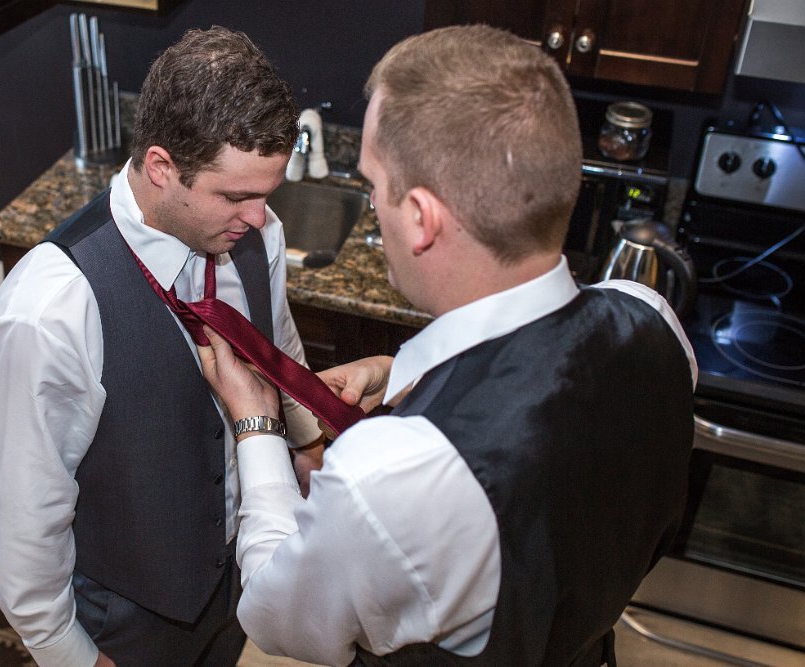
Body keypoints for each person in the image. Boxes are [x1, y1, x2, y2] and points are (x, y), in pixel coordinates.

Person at [196, 24, 698, 667]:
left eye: (374, 185)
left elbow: (277, 617)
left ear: (422, 219)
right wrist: (401, 370)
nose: (371, 205)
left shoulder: (394, 471)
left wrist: (257, 425)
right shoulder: (650, 318)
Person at [0, 26, 325, 667]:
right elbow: (25, 509)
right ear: (162, 167)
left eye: (266, 195)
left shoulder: (258, 233)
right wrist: (65, 651)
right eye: (236, 196)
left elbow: (279, 349)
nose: (257, 217)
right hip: (124, 616)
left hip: (234, 584)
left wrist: (305, 442)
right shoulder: (50, 308)